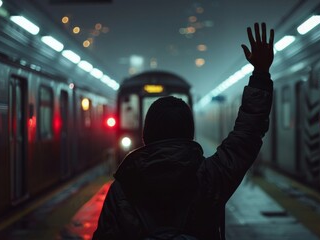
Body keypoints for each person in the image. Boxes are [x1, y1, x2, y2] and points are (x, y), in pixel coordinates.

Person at [93, 22, 274, 240]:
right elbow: (247, 134)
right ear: (190, 133)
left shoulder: (122, 189)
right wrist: (261, 74)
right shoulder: (210, 178)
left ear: (145, 136)